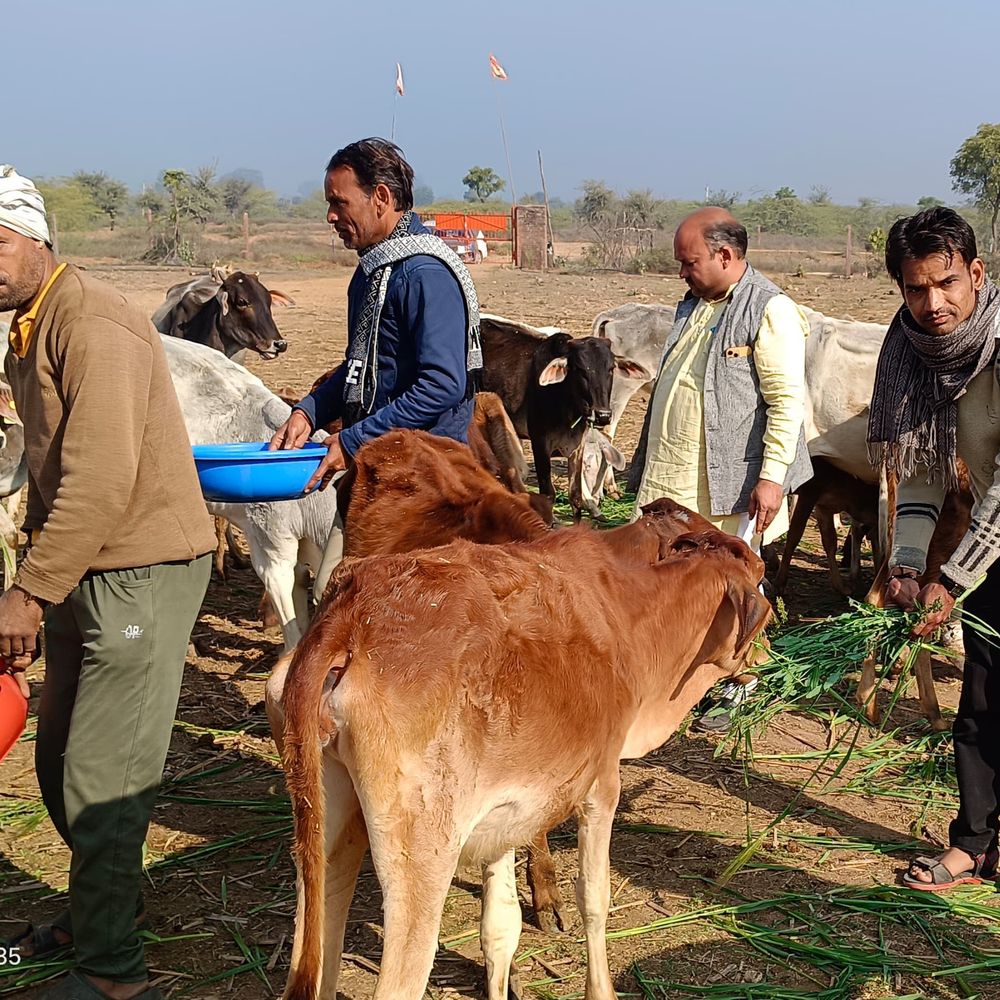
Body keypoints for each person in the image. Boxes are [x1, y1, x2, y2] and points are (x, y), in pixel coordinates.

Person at [0, 165, 216, 999]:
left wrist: (25, 592)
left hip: (140, 570)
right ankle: (98, 913)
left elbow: (99, 478)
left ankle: (115, 976)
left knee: (104, 773)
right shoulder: (30, 323)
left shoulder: (91, 325)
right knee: (58, 761)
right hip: (80, 568)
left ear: (38, 240)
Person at [633, 207, 812, 730]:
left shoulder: (770, 309)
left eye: (689, 263)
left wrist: (772, 477)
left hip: (730, 482)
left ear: (726, 255)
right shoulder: (692, 304)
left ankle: (744, 684)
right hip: (678, 473)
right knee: (680, 579)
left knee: (732, 581)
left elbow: (785, 403)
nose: (681, 273)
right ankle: (695, 674)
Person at [868, 207, 1000, 892]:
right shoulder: (912, 354)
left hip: (991, 531)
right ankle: (974, 843)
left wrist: (957, 575)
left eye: (946, 284)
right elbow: (919, 466)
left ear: (975, 273)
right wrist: (911, 561)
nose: (932, 304)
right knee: (979, 698)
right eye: (916, 289)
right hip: (993, 545)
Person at [269, 138, 482, 496]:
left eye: (340, 202)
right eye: (329, 204)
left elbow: (443, 384)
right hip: (380, 470)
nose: (331, 216)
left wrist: (355, 439)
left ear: (380, 198)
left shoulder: (424, 275)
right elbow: (362, 366)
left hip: (426, 480)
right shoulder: (374, 270)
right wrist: (308, 412)